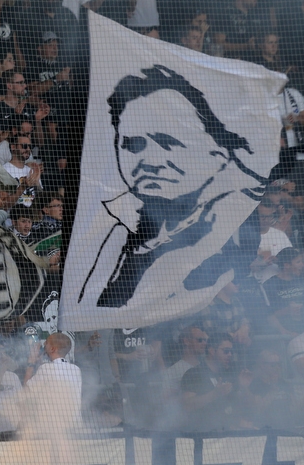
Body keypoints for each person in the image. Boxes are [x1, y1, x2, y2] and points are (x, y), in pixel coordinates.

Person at [79, 65, 268, 309]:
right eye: (134, 145)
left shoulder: (231, 221)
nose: (149, 161)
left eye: (167, 143)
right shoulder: (105, 221)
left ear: (217, 153)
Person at [21, 333, 83, 436]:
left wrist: (31, 362)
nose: (44, 345)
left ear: (53, 349)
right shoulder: (76, 370)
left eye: (47, 343)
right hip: (73, 428)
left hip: (51, 430)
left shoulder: (46, 369)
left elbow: (26, 389)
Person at [180, 333, 241, 431]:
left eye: (231, 351)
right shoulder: (194, 373)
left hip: (230, 436)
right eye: (226, 351)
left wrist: (244, 386)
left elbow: (237, 406)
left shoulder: (230, 373)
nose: (230, 354)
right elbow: (187, 405)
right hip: (204, 435)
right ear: (212, 350)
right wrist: (215, 394)